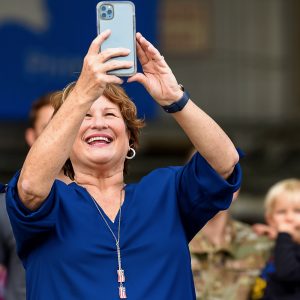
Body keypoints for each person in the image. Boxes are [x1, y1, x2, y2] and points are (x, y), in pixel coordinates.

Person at [6, 30, 241, 299]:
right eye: (85, 116)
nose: (98, 123)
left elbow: (225, 162)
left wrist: (174, 98)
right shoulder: (52, 203)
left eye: (109, 114)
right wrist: (82, 93)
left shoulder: (166, 193)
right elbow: (30, 188)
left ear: (131, 139)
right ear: (65, 143)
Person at [0, 92, 63, 300]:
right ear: (31, 137)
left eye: (65, 126)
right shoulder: (6, 203)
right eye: (50, 129)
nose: (59, 136)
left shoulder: (102, 201)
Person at [189, 189, 273, 300]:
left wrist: (286, 238)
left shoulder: (261, 244)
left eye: (221, 180)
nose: (213, 188)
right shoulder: (170, 243)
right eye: (205, 180)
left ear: (234, 190)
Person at [251, 178, 300, 300]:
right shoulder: (281, 242)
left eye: (297, 211)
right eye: (281, 212)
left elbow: (287, 272)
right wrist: (278, 235)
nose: (289, 218)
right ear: (270, 219)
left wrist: (283, 236)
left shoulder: (285, 242)